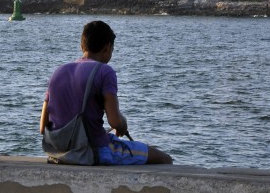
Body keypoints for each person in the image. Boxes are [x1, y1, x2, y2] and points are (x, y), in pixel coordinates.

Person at [39, 20, 172, 165]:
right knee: (164, 159)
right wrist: (123, 124)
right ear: (107, 47)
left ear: (82, 46)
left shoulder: (58, 72)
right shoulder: (104, 71)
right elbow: (115, 121)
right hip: (93, 151)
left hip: (58, 152)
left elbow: (43, 127)